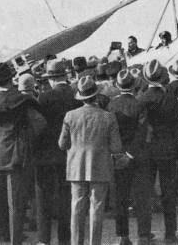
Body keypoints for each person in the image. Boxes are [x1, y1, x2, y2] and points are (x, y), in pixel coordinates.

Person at [0, 62, 47, 245]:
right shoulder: (22, 100)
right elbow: (40, 123)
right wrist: (25, 139)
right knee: (15, 205)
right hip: (16, 156)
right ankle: (15, 241)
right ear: (12, 78)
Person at [59, 76, 122, 245]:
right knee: (97, 208)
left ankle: (76, 242)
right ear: (96, 95)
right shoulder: (109, 117)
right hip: (100, 166)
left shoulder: (70, 116)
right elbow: (116, 147)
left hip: (76, 167)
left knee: (77, 208)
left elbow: (62, 144)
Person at [34, 60, 81, 245]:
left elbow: (38, 126)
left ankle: (44, 239)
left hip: (46, 155)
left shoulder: (44, 98)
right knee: (66, 198)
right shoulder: (76, 96)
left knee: (43, 199)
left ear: (51, 79)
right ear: (65, 76)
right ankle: (65, 239)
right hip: (69, 154)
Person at [138, 60, 178, 242]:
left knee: (145, 193)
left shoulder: (141, 99)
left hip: (147, 150)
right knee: (169, 193)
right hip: (167, 149)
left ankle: (143, 233)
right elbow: (177, 128)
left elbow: (139, 128)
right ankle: (170, 234)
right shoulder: (170, 98)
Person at [107, 70, 154, 245]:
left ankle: (122, 235)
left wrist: (118, 154)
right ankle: (143, 235)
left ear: (118, 86)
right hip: (139, 155)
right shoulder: (140, 104)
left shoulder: (111, 106)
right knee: (142, 196)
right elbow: (142, 132)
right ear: (134, 86)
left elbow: (111, 133)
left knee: (121, 197)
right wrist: (131, 154)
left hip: (118, 156)